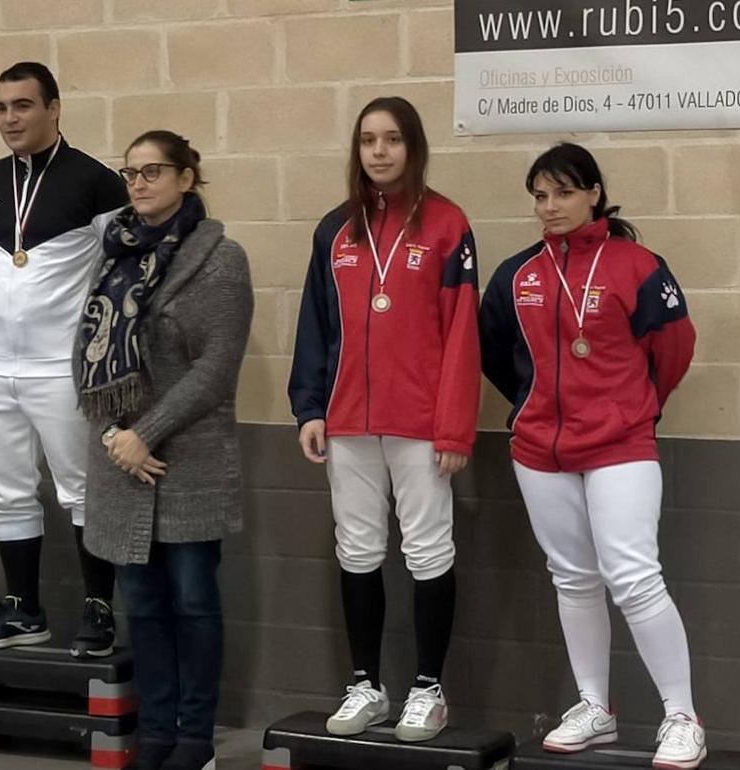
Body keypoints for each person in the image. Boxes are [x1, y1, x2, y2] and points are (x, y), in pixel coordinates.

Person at [479, 142, 703, 770]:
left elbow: (675, 348)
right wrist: (531, 403)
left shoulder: (637, 264)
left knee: (633, 577)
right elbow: (494, 351)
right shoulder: (517, 274)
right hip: (538, 449)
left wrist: (633, 406)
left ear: (593, 194)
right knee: (573, 578)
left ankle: (682, 715)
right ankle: (595, 707)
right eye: (540, 196)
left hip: (621, 443)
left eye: (564, 193)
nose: (550, 207)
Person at [288, 97, 480, 743]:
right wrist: (309, 407)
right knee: (359, 551)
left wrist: (454, 427)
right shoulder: (335, 230)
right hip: (347, 421)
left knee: (428, 552)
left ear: (413, 146)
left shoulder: (449, 225)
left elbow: (461, 337)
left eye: (392, 139)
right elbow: (315, 325)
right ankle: (366, 684)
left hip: (422, 422)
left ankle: (429, 688)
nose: (378, 151)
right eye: (368, 140)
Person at [76, 130, 253, 770]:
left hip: (187, 460)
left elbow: (216, 368)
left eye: (153, 171)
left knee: (193, 603)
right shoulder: (112, 254)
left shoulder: (220, 259)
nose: (140, 183)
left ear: (186, 178)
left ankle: (194, 738)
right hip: (120, 463)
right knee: (143, 608)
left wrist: (144, 434)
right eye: (131, 173)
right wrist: (113, 439)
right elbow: (85, 353)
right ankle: (154, 736)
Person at [0, 62, 129, 656]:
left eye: (23, 105)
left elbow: (122, 271)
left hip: (61, 367)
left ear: (54, 109)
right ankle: (23, 609)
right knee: (5, 489)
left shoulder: (98, 183)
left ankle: (99, 608)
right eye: (1, 107)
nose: (11, 118)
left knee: (80, 490)